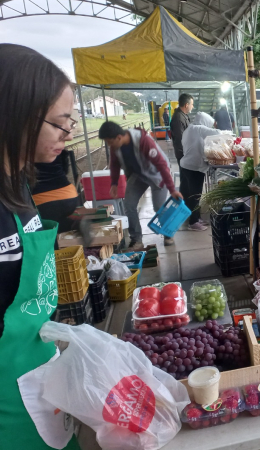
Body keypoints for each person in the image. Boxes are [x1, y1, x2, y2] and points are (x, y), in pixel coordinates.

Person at [0, 43, 80, 450]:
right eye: (60, 123)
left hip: (38, 368)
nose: (68, 134)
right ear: (18, 115)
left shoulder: (17, 183)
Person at [99, 121, 182, 250]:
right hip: (139, 175)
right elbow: (114, 164)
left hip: (157, 175)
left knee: (158, 207)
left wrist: (172, 189)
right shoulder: (115, 146)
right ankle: (136, 239)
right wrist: (114, 183)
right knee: (129, 205)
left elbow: (162, 165)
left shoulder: (143, 141)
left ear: (119, 137)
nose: (109, 145)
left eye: (110, 142)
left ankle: (168, 234)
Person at [180, 112, 221, 231]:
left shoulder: (189, 129)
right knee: (195, 195)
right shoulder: (199, 128)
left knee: (190, 194)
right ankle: (193, 223)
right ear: (205, 122)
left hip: (186, 165)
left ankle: (196, 218)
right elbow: (218, 133)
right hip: (194, 167)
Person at [33, 152, 80, 233]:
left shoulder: (25, 150)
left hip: (42, 200)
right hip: (69, 195)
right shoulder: (55, 146)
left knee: (49, 231)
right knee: (61, 224)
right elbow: (65, 168)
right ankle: (73, 224)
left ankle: (71, 225)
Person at [170, 93, 193, 190]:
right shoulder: (179, 118)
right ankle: (186, 202)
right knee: (186, 181)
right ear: (186, 105)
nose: (193, 106)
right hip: (183, 155)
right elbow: (180, 140)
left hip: (185, 154)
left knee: (187, 180)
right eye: (192, 104)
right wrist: (187, 155)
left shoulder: (183, 116)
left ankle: (187, 200)